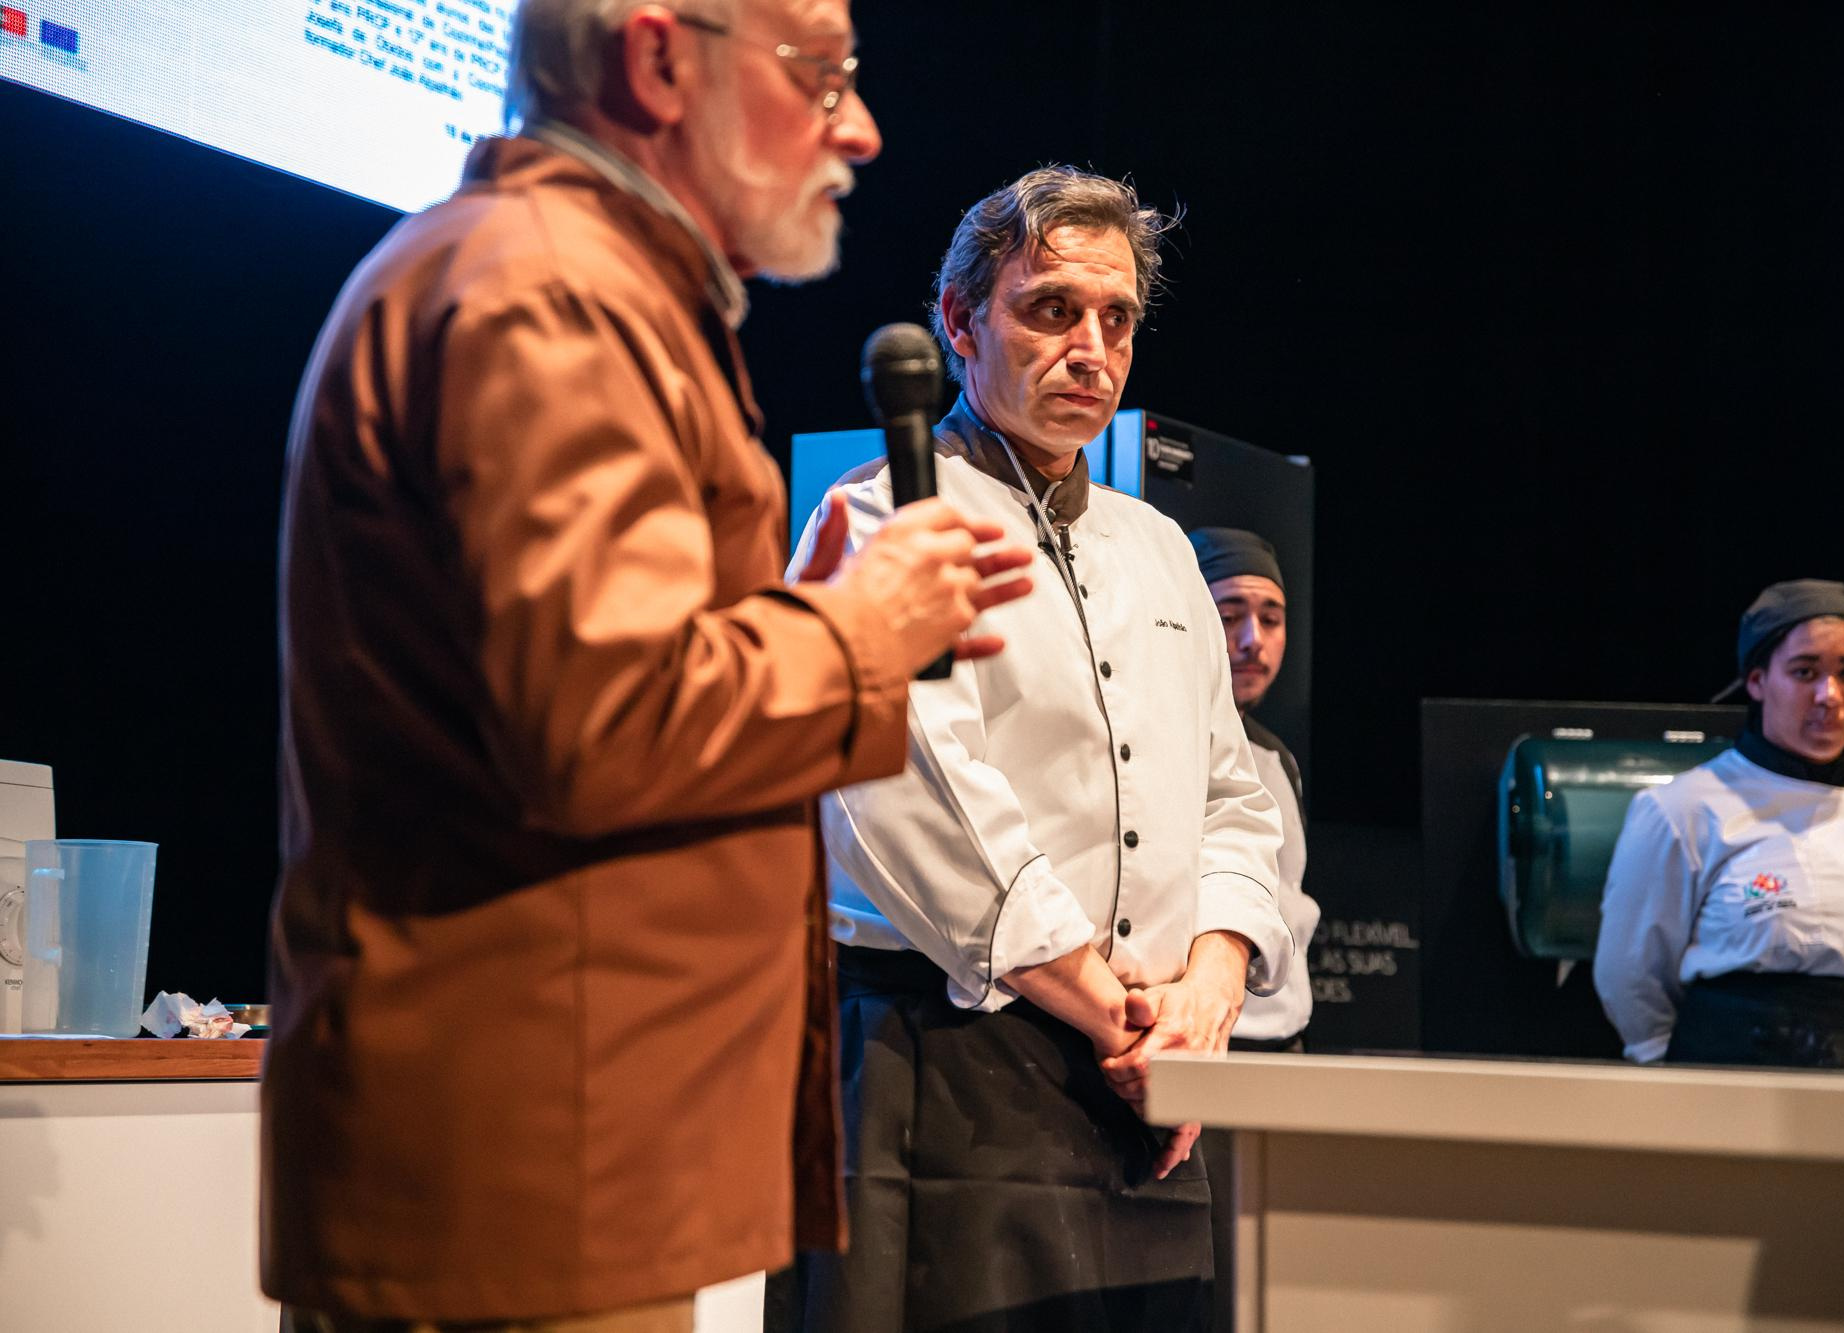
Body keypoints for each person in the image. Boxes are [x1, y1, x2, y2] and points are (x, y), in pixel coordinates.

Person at [262, 2, 1035, 1329]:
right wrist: (858, 627)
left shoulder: (565, 278)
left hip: (547, 1166)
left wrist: (832, 623)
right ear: (661, 58)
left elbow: (597, 686)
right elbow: (606, 718)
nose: (858, 126)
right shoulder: (549, 289)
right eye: (820, 74)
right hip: (521, 1186)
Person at [779, 166, 1292, 1333]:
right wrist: (1119, 1017)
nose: (1090, 348)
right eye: (1049, 309)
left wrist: (1204, 1002)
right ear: (959, 323)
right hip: (948, 1062)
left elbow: (1232, 797)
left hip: (1151, 1083)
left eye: (1114, 320)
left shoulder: (1162, 549)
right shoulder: (880, 518)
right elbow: (911, 797)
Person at [1595, 579, 1844, 1071]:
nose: (1828, 695)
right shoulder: (1683, 809)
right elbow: (1631, 977)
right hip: (1727, 1092)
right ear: (1757, 681)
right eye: (1805, 671)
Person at [1187, 527, 1317, 1053]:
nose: (1252, 641)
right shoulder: (1161, 745)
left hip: (1284, 1036)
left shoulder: (1276, 757)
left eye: (1270, 619)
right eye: (1228, 615)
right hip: (1206, 1036)